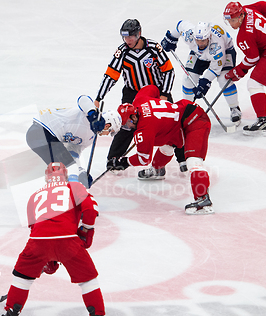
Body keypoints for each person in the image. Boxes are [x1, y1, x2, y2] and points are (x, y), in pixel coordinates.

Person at [0, 162, 115, 316]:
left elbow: (34, 227)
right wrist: (87, 230)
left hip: (37, 241)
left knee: (22, 277)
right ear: (66, 176)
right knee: (88, 280)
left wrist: (47, 256)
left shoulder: (35, 195)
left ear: (46, 178)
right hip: (68, 242)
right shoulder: (75, 186)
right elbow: (90, 210)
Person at [94, 19, 186, 175]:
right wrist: (98, 98)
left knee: (174, 122)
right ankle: (114, 159)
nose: (128, 40)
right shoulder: (122, 52)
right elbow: (111, 75)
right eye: (125, 37)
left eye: (131, 36)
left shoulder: (154, 48)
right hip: (132, 94)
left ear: (139, 34)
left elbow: (168, 71)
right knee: (125, 125)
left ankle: (183, 159)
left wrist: (164, 95)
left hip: (157, 92)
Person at [107, 85, 214, 215]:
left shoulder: (143, 130)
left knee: (194, 162)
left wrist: (124, 162)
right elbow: (152, 88)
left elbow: (143, 158)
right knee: (167, 146)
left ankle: (203, 200)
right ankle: (158, 170)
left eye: (126, 123)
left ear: (134, 117)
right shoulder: (139, 100)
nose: (127, 127)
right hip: (179, 119)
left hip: (195, 120)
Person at [223, 1, 266, 136]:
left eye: (232, 20)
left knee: (254, 83)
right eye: (228, 20)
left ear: (240, 17)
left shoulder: (244, 36)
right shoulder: (248, 9)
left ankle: (262, 120)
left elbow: (253, 58)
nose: (231, 24)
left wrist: (238, 70)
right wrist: (262, 32)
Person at [26, 95, 122, 188]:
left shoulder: (90, 138)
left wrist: (81, 172)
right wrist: (93, 115)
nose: (107, 134)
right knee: (66, 169)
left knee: (64, 170)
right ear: (107, 125)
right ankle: (68, 194)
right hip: (41, 131)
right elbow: (83, 99)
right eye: (110, 131)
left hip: (42, 139)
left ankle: (58, 194)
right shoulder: (90, 114)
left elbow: (73, 153)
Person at [161, 20, 242, 123]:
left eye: (203, 41)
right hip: (198, 54)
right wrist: (172, 38)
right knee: (188, 79)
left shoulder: (218, 47)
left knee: (223, 79)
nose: (200, 43)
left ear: (209, 37)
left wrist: (205, 82)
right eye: (197, 40)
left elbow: (215, 68)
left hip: (226, 52)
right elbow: (180, 25)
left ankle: (234, 108)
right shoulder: (190, 34)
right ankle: (188, 108)